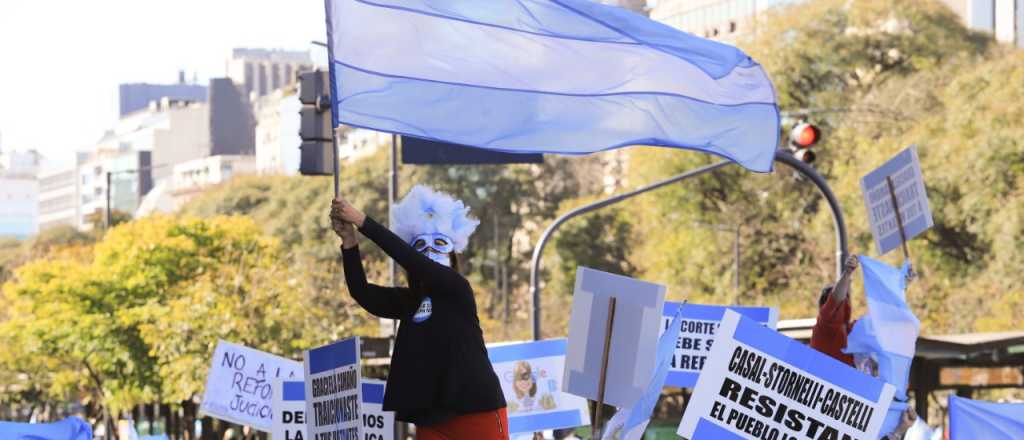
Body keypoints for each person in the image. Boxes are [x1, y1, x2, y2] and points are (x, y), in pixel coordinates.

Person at [330, 185, 508, 440]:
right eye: (420, 246)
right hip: (430, 416)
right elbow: (362, 292)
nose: (429, 251)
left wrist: (361, 220)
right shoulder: (410, 301)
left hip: (476, 411)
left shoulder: (458, 289)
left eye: (439, 244)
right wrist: (349, 243)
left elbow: (410, 259)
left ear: (453, 255)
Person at [809, 254, 918, 440]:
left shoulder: (855, 333)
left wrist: (902, 285)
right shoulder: (825, 330)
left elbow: (885, 317)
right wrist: (847, 274)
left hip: (849, 411)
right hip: (831, 408)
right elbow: (835, 303)